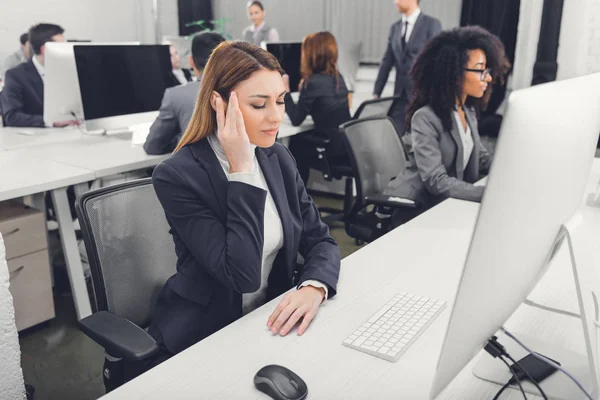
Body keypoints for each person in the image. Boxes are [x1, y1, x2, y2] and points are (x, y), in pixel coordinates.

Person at [137, 41, 340, 378]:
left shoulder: (278, 156)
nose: (276, 116)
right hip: (206, 333)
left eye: (280, 100)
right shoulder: (177, 175)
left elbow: (320, 240)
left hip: (269, 321)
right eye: (259, 104)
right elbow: (242, 275)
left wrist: (314, 287)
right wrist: (242, 170)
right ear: (218, 102)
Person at [384, 26, 510, 226]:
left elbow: (479, 155)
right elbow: (436, 181)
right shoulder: (425, 118)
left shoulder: (467, 111)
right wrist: (487, 194)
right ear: (455, 73)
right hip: (416, 209)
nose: (488, 78)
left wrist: (511, 167)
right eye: (480, 70)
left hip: (447, 205)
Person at [284, 31, 352, 183]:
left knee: (295, 143)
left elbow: (296, 119)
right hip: (345, 148)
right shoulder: (337, 77)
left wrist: (285, 92)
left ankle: (297, 197)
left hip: (330, 152)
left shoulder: (313, 82)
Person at [144, 32, 225, 155]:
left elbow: (152, 146)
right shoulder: (245, 91)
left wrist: (182, 139)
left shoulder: (175, 96)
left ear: (191, 62)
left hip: (197, 172)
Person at [373, 0, 442, 134]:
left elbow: (437, 62)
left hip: (422, 98)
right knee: (393, 136)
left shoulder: (431, 24)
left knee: (419, 139)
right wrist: (377, 92)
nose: (395, 2)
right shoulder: (395, 28)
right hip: (399, 97)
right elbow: (387, 62)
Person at [0, 23, 77, 127]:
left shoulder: (68, 71)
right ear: (44, 49)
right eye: (62, 46)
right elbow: (12, 116)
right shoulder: (16, 76)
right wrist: (51, 122)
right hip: (36, 137)